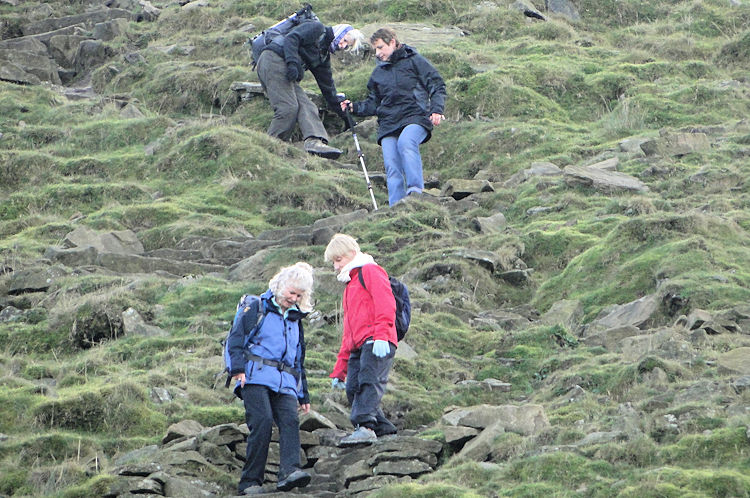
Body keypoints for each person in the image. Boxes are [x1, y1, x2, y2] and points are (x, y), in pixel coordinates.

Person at [226, 262, 314, 495]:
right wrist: (236, 369)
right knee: (262, 422)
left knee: (290, 421)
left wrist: (303, 393)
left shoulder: (296, 319)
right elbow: (235, 338)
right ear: (280, 285)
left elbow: (298, 358)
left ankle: (290, 472)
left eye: (299, 295)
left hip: (285, 381)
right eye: (291, 292)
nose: (293, 298)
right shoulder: (256, 306)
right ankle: (250, 483)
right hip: (254, 377)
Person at [341, 28, 446, 206]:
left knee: (406, 142)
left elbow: (437, 84)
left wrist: (436, 110)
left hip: (415, 116)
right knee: (391, 164)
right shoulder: (378, 73)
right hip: (388, 122)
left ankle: (415, 193)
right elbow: (374, 103)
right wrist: (354, 107)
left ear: (392, 42)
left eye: (381, 47)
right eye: (375, 49)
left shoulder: (414, 60)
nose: (378, 53)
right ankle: (395, 206)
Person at [324, 233, 398, 445]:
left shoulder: (371, 271)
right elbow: (348, 331)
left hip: (376, 340)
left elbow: (386, 304)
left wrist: (382, 335)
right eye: (333, 263)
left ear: (352, 254)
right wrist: (340, 369)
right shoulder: (350, 285)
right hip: (358, 345)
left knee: (369, 381)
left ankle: (365, 427)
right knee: (353, 387)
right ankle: (382, 428)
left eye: (338, 260)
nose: (336, 267)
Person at [256, 20, 364, 158]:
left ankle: (314, 142)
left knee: (308, 106)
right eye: (344, 41)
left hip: (288, 71)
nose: (342, 46)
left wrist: (347, 118)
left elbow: (328, 90)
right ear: (341, 32)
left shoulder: (323, 56)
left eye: (345, 46)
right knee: (288, 107)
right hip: (273, 59)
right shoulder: (317, 28)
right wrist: (293, 63)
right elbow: (292, 38)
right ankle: (268, 148)